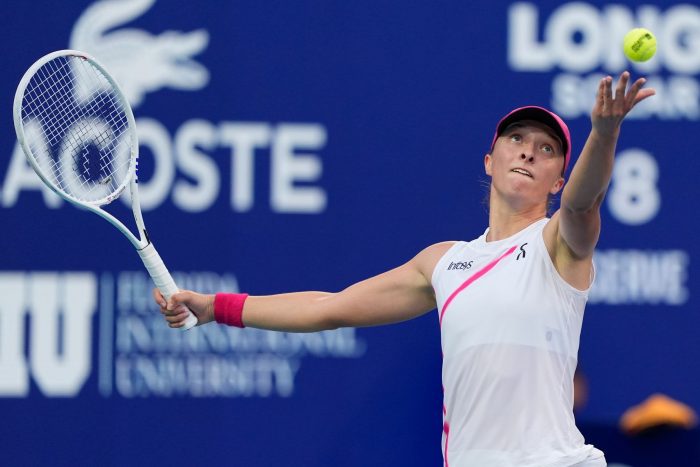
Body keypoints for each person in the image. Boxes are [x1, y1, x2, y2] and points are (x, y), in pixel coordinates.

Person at [154, 71, 654, 467]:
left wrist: (604, 133)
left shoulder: (558, 244)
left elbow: (583, 202)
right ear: (489, 160)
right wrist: (216, 307)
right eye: (516, 138)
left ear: (557, 180)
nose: (528, 150)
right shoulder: (444, 262)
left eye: (547, 149)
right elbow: (329, 308)